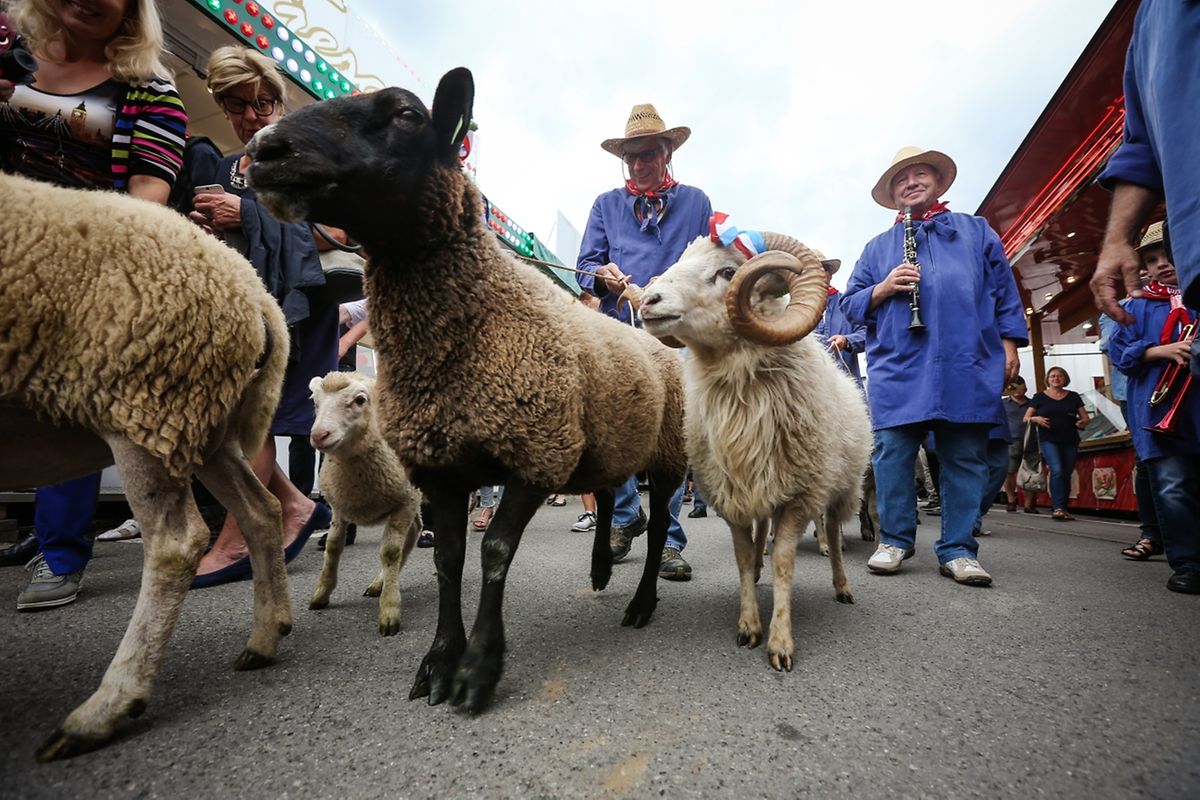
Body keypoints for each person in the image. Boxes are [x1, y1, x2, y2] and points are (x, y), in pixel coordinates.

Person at [0, 0, 186, 609]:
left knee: (66, 404)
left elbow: (147, 197)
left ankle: (59, 553)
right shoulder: (14, 62)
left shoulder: (150, 91)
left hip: (86, 271)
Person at [185, 45, 338, 587]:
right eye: (240, 104)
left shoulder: (304, 160)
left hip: (296, 309)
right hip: (236, 306)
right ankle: (296, 507)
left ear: (280, 102)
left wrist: (247, 213)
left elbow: (340, 234)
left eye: (265, 102)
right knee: (230, 420)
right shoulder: (223, 168)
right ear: (224, 107)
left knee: (259, 419)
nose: (254, 114)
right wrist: (208, 227)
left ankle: (237, 538)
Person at [842, 146, 1026, 587]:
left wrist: (1009, 343)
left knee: (964, 453)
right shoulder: (876, 248)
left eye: (919, 174)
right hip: (900, 364)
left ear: (938, 182)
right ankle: (895, 539)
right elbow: (849, 304)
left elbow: (1004, 291)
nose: (911, 182)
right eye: (901, 179)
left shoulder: (976, 231)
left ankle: (959, 548)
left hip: (967, 358)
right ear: (892, 193)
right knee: (891, 453)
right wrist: (883, 287)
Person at [576, 103, 712, 581]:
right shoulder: (604, 204)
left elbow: (707, 261)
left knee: (670, 436)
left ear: (667, 152)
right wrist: (602, 274)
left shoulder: (696, 201)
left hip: (673, 331)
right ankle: (627, 514)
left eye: (648, 154)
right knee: (616, 429)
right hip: (618, 333)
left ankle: (670, 540)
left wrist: (673, 283)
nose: (639, 164)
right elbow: (586, 267)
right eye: (631, 156)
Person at [1091, 1, 1200, 379]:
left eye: (1160, 257)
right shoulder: (1147, 23)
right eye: (1151, 259)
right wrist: (1117, 240)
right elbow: (1140, 145)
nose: (1160, 265)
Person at [1107, 226, 1200, 594]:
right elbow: (1118, 352)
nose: (1162, 265)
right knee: (1173, 487)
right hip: (1161, 413)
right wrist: (1161, 351)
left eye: (1168, 256)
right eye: (1152, 260)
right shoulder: (1136, 306)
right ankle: (1189, 564)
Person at [1023, 367, 1090, 521]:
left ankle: (1063, 507)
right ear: (1048, 379)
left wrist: (1082, 422)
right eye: (1052, 376)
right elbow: (1026, 418)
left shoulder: (1073, 396)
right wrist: (1036, 419)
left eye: (1059, 376)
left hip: (1070, 439)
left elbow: (1085, 417)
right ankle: (1058, 507)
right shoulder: (1039, 397)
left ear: (1065, 379)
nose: (1056, 378)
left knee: (1066, 473)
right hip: (1048, 439)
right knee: (1057, 470)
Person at [813, 250, 865, 386]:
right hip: (810, 390)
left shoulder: (848, 303)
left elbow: (868, 334)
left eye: (823, 269)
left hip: (847, 392)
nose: (818, 274)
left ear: (830, 274)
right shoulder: (795, 311)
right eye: (811, 270)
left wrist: (846, 341)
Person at [1001, 376, 1033, 512]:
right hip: (1010, 441)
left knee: (1030, 471)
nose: (1016, 389)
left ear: (1025, 388)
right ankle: (1011, 499)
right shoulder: (1003, 403)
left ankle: (1028, 504)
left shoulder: (1033, 403)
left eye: (1019, 385)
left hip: (1031, 440)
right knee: (1009, 471)